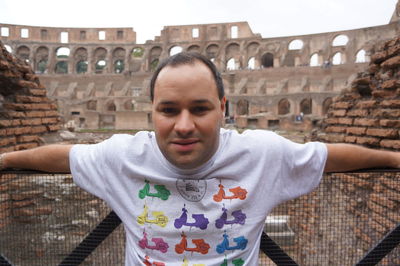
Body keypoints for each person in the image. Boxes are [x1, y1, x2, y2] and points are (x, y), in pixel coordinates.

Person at [0, 52, 399, 265]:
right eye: (169, 110)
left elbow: (331, 156)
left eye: (201, 109)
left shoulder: (262, 153)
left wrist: (394, 159)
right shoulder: (123, 155)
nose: (185, 125)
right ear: (152, 111)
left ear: (223, 108)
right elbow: (61, 157)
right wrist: (5, 160)